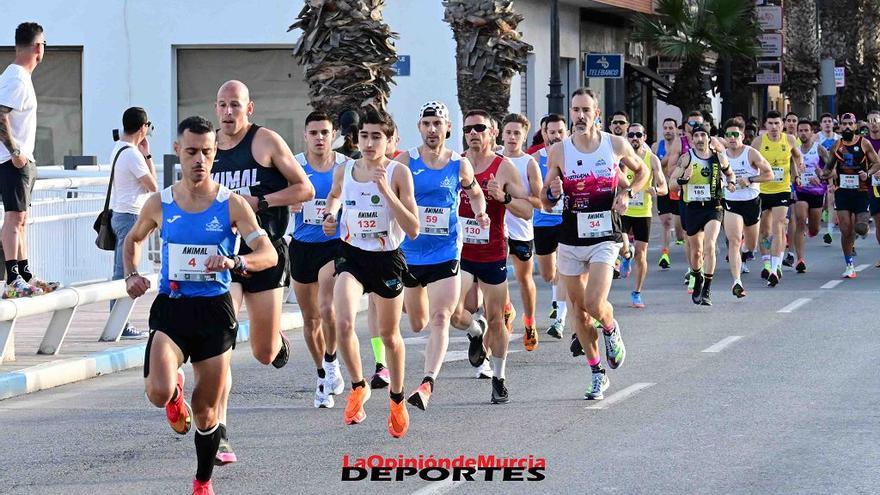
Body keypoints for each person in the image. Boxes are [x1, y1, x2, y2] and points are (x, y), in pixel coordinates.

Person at [125, 116, 278, 495]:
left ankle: (202, 482)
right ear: (178, 151)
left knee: (207, 412)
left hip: (214, 311)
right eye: (191, 151)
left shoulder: (232, 205)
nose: (199, 160)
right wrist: (132, 273)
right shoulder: (159, 202)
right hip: (173, 308)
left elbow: (268, 253)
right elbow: (133, 239)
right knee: (158, 392)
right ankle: (173, 394)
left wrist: (235, 262)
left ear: (214, 155)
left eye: (207, 152)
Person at [211, 80, 314, 464]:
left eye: (235, 105)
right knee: (220, 342)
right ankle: (219, 430)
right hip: (222, 259)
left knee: (263, 352)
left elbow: (303, 189)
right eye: (222, 105)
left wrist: (260, 201)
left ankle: (277, 340)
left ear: (249, 108)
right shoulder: (209, 148)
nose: (227, 113)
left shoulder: (265, 142)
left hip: (265, 253)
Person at [542, 88, 647, 400]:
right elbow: (547, 200)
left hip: (605, 235)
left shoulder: (614, 144)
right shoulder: (559, 151)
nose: (580, 116)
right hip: (571, 237)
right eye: (575, 110)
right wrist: (553, 190)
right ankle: (597, 371)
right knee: (579, 313)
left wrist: (627, 193)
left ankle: (611, 328)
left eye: (586, 110)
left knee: (593, 303)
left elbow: (641, 171)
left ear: (596, 114)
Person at [321, 109, 419, 438]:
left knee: (390, 336)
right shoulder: (345, 170)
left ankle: (396, 401)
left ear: (390, 141)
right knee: (343, 319)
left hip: (387, 257)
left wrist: (386, 191)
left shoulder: (399, 173)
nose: (369, 142)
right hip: (352, 255)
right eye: (364, 135)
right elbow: (335, 196)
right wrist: (330, 214)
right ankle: (358, 386)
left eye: (377, 136)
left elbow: (414, 229)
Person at [399, 101, 488, 410]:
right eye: (427, 124)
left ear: (448, 127)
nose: (432, 129)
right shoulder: (405, 161)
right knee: (417, 321)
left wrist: (480, 213)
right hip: (410, 253)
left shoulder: (458, 163)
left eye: (438, 123)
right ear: (419, 127)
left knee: (441, 317)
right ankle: (476, 329)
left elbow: (475, 192)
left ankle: (427, 383)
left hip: (445, 250)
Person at [449, 109, 530, 404]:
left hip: (492, 251)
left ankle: (499, 378)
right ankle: (474, 330)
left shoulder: (504, 167)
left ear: (492, 133)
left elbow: (527, 210)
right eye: (468, 129)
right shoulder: (455, 164)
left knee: (497, 319)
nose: (473, 133)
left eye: (479, 128)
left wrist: (503, 198)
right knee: (454, 312)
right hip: (461, 252)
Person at [290, 111, 349, 408]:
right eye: (313, 133)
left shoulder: (345, 166)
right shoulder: (295, 166)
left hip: (333, 246)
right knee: (310, 318)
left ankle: (332, 361)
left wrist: (337, 215)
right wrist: (291, 203)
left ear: (334, 134)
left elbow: (357, 199)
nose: (319, 138)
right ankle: (322, 374)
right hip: (302, 246)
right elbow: (280, 198)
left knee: (327, 308)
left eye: (325, 132)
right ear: (305, 135)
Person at [0, 22, 59, 298]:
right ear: (38, 46)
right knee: (14, 217)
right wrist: (15, 152)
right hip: (13, 160)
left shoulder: (18, 77)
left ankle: (23, 273)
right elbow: (1, 115)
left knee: (21, 218)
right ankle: (13, 278)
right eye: (44, 44)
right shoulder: (16, 79)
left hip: (20, 160)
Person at [670, 122, 736, 305]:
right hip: (692, 207)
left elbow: (731, 174)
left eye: (703, 136)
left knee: (710, 245)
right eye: (696, 136)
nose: (700, 139)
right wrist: (684, 179)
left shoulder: (719, 158)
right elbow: (672, 183)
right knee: (696, 251)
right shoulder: (687, 158)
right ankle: (697, 276)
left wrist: (731, 183)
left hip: (713, 206)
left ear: (709, 138)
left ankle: (707, 287)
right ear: (692, 140)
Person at [109, 107, 157, 338]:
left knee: (122, 269)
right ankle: (120, 325)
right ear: (143, 127)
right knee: (125, 271)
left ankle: (119, 323)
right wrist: (148, 155)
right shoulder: (131, 154)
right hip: (129, 217)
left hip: (121, 214)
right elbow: (153, 186)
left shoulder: (118, 148)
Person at [500, 113, 542, 351]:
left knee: (525, 279)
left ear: (524, 135)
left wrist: (516, 196)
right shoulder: (494, 160)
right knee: (498, 277)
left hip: (522, 229)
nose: (512, 137)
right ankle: (507, 308)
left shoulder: (529, 163)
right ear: (501, 134)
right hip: (497, 229)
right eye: (509, 132)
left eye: (517, 133)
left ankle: (529, 321)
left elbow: (538, 202)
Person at [821, 113, 880, 278]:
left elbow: (877, 163)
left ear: (855, 126)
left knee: (860, 227)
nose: (847, 127)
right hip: (843, 192)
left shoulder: (864, 143)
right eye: (844, 124)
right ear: (839, 126)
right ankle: (849, 265)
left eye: (850, 124)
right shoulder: (836, 145)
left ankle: (861, 230)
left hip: (861, 191)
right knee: (846, 230)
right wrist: (823, 174)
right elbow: (828, 167)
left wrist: (867, 174)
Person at [721, 118, 773, 297]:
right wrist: (724, 184)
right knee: (734, 240)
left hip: (751, 201)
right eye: (728, 135)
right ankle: (737, 282)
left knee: (750, 245)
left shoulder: (751, 154)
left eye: (735, 134)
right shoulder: (721, 156)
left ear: (742, 136)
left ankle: (746, 252)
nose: (732, 138)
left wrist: (750, 179)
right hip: (732, 202)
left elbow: (769, 175)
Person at [621, 123, 667, 308]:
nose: (634, 138)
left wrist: (656, 190)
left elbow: (664, 187)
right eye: (631, 134)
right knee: (623, 247)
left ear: (644, 137)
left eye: (638, 134)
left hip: (643, 212)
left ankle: (637, 292)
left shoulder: (652, 159)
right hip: (623, 210)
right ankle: (626, 255)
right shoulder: (622, 158)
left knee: (641, 254)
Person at [756, 110, 803, 287]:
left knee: (779, 227)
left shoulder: (789, 140)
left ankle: (775, 269)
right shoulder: (759, 142)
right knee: (765, 231)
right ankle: (767, 263)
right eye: (770, 123)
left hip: (783, 190)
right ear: (765, 125)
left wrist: (799, 166)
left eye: (777, 123)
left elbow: (797, 155)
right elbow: (750, 161)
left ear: (782, 125)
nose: (774, 127)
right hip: (762, 190)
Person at [532, 114, 569, 339]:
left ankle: (561, 318)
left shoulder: (573, 156)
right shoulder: (535, 159)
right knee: (548, 273)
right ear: (544, 133)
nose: (556, 136)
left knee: (564, 269)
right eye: (551, 132)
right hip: (543, 220)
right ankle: (558, 299)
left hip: (567, 221)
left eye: (560, 132)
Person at [792, 119, 830, 273]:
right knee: (800, 220)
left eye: (806, 130)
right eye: (800, 130)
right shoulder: (794, 150)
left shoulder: (819, 149)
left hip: (817, 191)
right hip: (800, 191)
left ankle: (812, 231)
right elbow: (790, 168)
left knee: (814, 229)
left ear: (812, 132)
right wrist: (796, 177)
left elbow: (830, 168)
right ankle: (800, 259)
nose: (803, 133)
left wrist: (821, 176)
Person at [652, 117, 685, 270]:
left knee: (680, 228)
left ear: (676, 130)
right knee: (665, 222)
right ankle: (665, 254)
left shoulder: (682, 146)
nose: (668, 131)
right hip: (663, 189)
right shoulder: (655, 147)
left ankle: (689, 247)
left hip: (678, 189)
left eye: (671, 128)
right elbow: (652, 166)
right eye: (665, 128)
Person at [818, 113, 840, 244]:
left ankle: (829, 232)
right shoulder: (816, 138)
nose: (827, 123)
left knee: (831, 200)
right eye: (824, 121)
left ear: (833, 124)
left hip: (833, 173)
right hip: (819, 174)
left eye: (829, 121)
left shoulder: (839, 139)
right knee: (823, 203)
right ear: (820, 124)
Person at [865, 110, 880, 267]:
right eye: (871, 121)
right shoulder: (865, 143)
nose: (874, 123)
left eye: (876, 120)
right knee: (878, 222)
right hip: (873, 188)